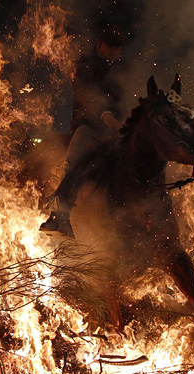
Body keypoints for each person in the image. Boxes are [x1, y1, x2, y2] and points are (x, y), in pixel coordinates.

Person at [40, 24, 128, 237]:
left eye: (117, 49)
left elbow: (129, 95)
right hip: (90, 125)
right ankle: (61, 216)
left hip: (121, 126)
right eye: (110, 48)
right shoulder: (85, 65)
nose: (114, 53)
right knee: (75, 159)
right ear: (98, 44)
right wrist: (105, 116)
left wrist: (125, 120)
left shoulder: (124, 68)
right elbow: (85, 94)